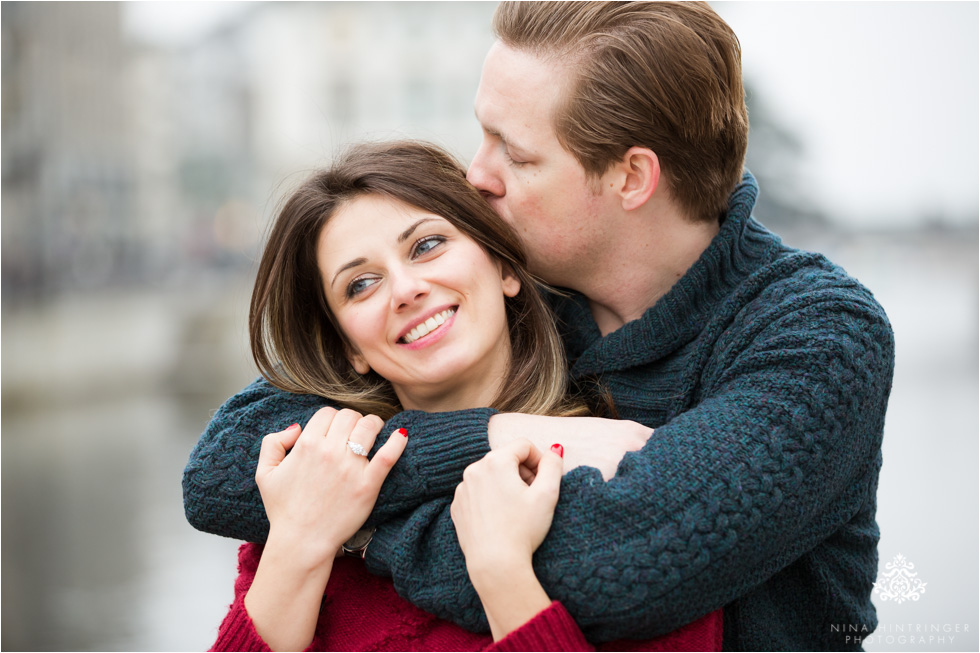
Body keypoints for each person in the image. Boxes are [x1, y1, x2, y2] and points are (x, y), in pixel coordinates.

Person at [185, 2, 895, 650]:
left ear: (630, 178)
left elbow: (615, 567)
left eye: (515, 154)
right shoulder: (509, 297)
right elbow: (225, 466)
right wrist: (502, 434)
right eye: (481, 134)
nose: (476, 175)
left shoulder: (815, 335)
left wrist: (346, 525)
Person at [207, 140, 722, 651]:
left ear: (504, 267)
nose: (406, 289)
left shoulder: (626, 472)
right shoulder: (312, 490)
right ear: (348, 348)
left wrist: (504, 577)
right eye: (361, 284)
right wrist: (299, 542)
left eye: (427, 245)